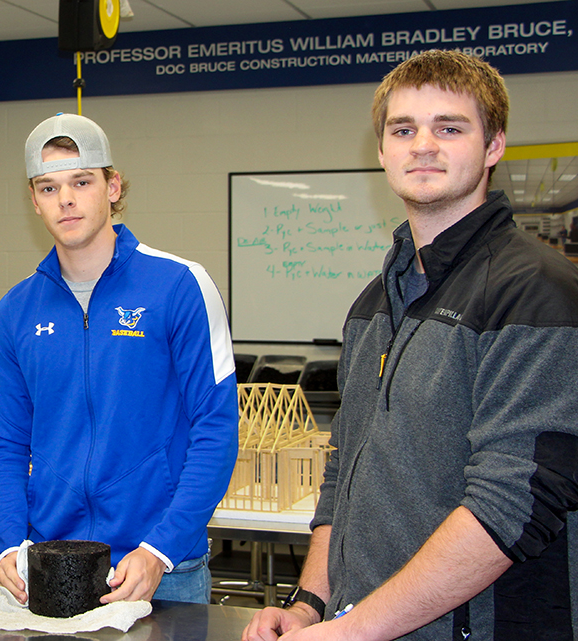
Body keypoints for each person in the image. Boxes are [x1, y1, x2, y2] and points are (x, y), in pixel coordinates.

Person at [243, 50, 578, 641]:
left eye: (450, 127)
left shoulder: (536, 292)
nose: (423, 145)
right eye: (403, 130)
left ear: (494, 145)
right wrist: (309, 606)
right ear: (381, 151)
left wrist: (353, 631)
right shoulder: (375, 303)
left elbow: (510, 503)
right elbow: (344, 468)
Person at [0, 113, 239, 605]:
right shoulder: (17, 309)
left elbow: (215, 427)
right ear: (34, 200)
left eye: (81, 181)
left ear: (113, 186)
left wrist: (161, 548)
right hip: (53, 563)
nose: (66, 199)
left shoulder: (180, 286)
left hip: (162, 567)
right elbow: (2, 437)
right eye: (48, 187)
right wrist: (10, 542)